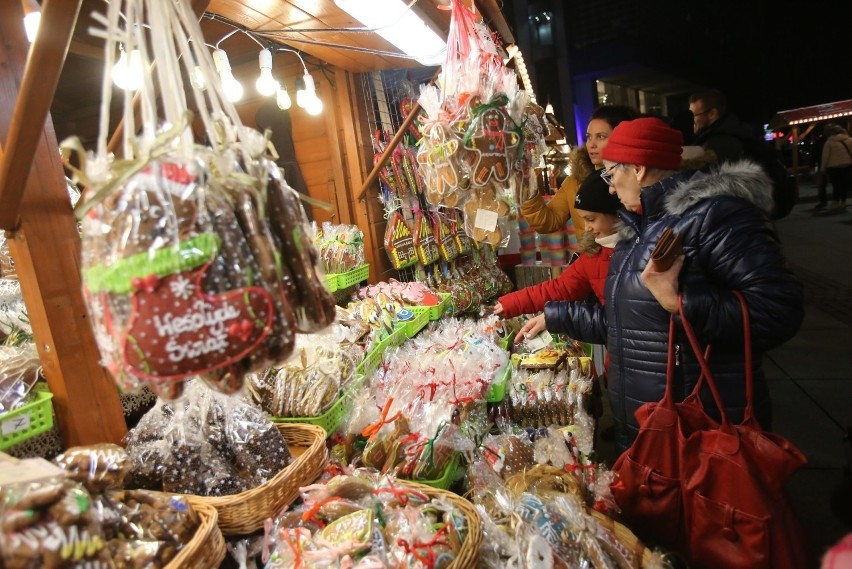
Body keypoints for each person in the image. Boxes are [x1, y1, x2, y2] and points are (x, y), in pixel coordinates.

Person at [543, 117, 804, 452]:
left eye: (611, 174)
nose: (610, 187)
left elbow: (778, 311)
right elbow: (626, 326)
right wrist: (554, 317)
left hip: (701, 435)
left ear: (636, 169)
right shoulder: (635, 230)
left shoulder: (716, 217)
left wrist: (680, 301)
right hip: (650, 432)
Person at [494, 174, 621, 334]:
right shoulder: (593, 255)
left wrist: (557, 316)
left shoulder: (640, 250)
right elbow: (560, 288)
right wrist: (510, 303)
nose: (587, 228)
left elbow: (623, 322)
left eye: (591, 219)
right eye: (583, 220)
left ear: (615, 213)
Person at [520, 105, 638, 237]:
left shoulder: (636, 179)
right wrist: (527, 187)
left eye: (601, 137)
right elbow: (547, 221)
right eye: (589, 137)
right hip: (590, 256)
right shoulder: (574, 182)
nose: (591, 144)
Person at [688, 88, 757, 161]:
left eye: (693, 115)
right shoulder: (736, 133)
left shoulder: (715, 146)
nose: (690, 120)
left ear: (712, 114)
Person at [818, 124, 852, 214]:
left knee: (836, 185)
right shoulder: (849, 140)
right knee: (844, 185)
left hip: (833, 167)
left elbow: (825, 156)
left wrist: (822, 169)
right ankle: (843, 201)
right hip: (847, 165)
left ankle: (835, 202)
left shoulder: (829, 142)